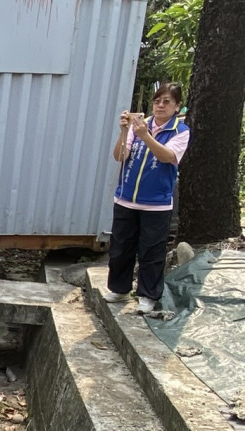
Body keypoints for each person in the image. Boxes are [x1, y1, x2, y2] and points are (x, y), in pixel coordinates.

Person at [102, 82, 190, 315]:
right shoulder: (139, 126)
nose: (160, 106)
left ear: (177, 106)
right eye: (157, 101)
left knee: (151, 252)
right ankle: (119, 289)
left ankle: (148, 295)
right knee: (121, 248)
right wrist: (124, 131)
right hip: (126, 198)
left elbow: (167, 156)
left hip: (157, 203)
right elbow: (120, 156)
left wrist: (146, 136)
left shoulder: (180, 131)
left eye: (167, 102)